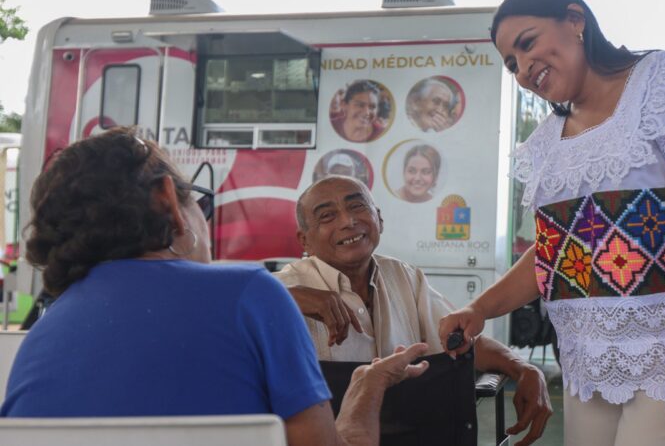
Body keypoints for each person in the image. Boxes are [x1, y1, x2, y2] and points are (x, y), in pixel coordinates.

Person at [438, 0, 665, 445]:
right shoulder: (547, 141)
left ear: (575, 20)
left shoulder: (663, 82)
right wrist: (478, 309)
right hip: (590, 360)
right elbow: (554, 254)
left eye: (528, 44)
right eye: (512, 64)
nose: (524, 67)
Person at [0, 127, 430, 446]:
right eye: (197, 197)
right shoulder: (251, 293)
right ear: (169, 201)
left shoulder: (43, 334)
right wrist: (367, 386)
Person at [276, 176, 553, 445]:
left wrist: (523, 368)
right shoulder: (278, 292)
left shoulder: (404, 277)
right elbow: (235, 319)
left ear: (379, 219)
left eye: (357, 206)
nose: (348, 221)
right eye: (327, 216)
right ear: (304, 240)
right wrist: (283, 299)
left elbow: (462, 337)